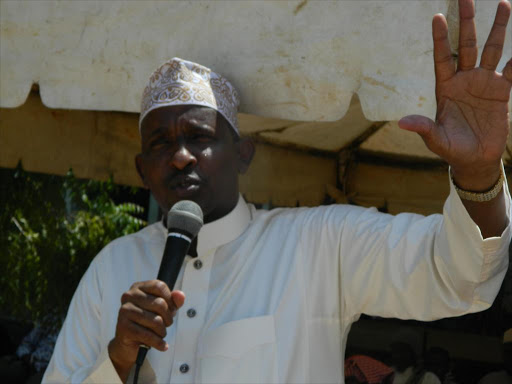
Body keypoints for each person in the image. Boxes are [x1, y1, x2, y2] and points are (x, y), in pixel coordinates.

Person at [43, 0, 512, 383]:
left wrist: (478, 174)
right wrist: (119, 359)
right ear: (142, 170)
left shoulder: (318, 245)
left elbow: (457, 277)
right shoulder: (111, 269)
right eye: (161, 144)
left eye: (200, 137)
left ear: (244, 154)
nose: (181, 156)